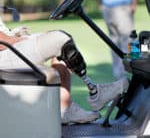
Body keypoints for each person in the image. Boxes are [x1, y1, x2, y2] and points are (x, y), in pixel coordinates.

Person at [0, 11, 128, 124]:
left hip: (6, 47)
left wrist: (14, 35)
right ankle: (95, 93)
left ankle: (64, 109)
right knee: (60, 39)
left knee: (55, 41)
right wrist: (16, 40)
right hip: (4, 52)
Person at [94, 0, 140, 80]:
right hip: (122, 7)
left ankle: (119, 76)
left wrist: (101, 2)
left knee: (114, 42)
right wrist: (134, 3)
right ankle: (132, 74)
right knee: (129, 41)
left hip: (107, 7)